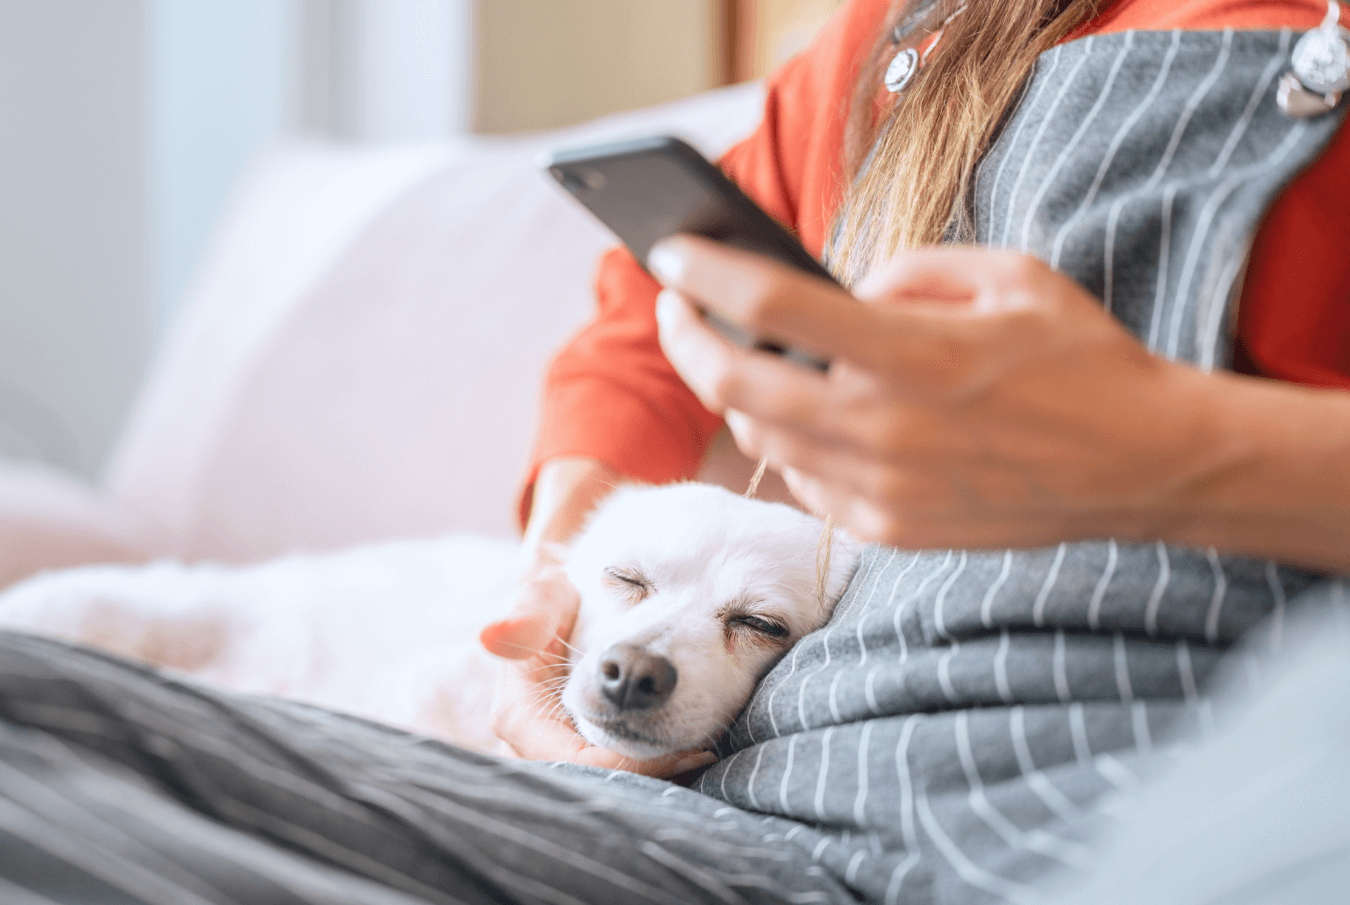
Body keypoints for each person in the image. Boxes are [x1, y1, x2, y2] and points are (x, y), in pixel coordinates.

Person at [1, 1, 1347, 903]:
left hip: (1157, 793)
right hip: (724, 821)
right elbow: (655, 312)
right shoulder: (922, 40)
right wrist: (562, 575)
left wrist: (1178, 452)